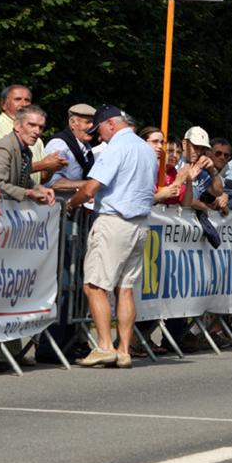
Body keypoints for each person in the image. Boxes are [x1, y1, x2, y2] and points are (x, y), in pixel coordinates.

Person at [65, 105, 158, 369]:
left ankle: (105, 346)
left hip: (114, 221)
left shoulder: (116, 147)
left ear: (111, 124)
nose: (98, 136)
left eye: (100, 130)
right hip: (139, 224)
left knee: (95, 285)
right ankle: (124, 350)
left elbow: (93, 186)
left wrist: (72, 203)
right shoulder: (146, 149)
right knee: (125, 289)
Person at [0, 105, 55, 205]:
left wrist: (40, 189)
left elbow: (24, 179)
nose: (37, 131)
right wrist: (29, 193)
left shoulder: (26, 151)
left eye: (41, 127)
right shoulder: (3, 148)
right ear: (17, 125)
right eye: (32, 125)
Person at [0, 84, 66, 184]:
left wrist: (51, 167)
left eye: (27, 100)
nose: (23, 104)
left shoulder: (37, 139)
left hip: (28, 196)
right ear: (3, 104)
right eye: (17, 99)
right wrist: (41, 165)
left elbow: (41, 179)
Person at [42, 103, 96, 197]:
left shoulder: (86, 147)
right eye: (87, 122)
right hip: (56, 208)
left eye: (94, 123)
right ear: (72, 123)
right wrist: (89, 185)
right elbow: (51, 182)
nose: (92, 127)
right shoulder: (59, 145)